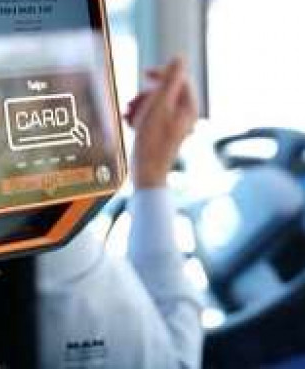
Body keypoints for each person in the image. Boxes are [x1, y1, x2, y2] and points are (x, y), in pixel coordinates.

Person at [36, 57, 204, 369]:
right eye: (88, 98)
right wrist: (152, 173)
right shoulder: (53, 245)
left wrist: (151, 170)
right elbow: (175, 362)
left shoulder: (40, 233)